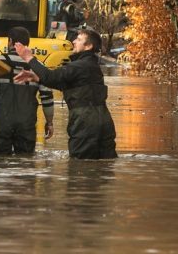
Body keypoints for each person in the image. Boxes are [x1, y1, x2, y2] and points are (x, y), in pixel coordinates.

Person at [14, 29, 117, 159]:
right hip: (104, 120)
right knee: (104, 165)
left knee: (79, 166)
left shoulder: (79, 66)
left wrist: (29, 57)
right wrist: (38, 78)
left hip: (85, 122)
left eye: (79, 39)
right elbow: (70, 85)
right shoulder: (91, 66)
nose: (74, 41)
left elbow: (51, 77)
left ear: (88, 46)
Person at [0, 26, 54, 155]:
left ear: (10, 41)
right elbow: (47, 98)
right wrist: (49, 122)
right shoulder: (38, 67)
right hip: (26, 124)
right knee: (25, 163)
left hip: (0, 123)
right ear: (28, 44)